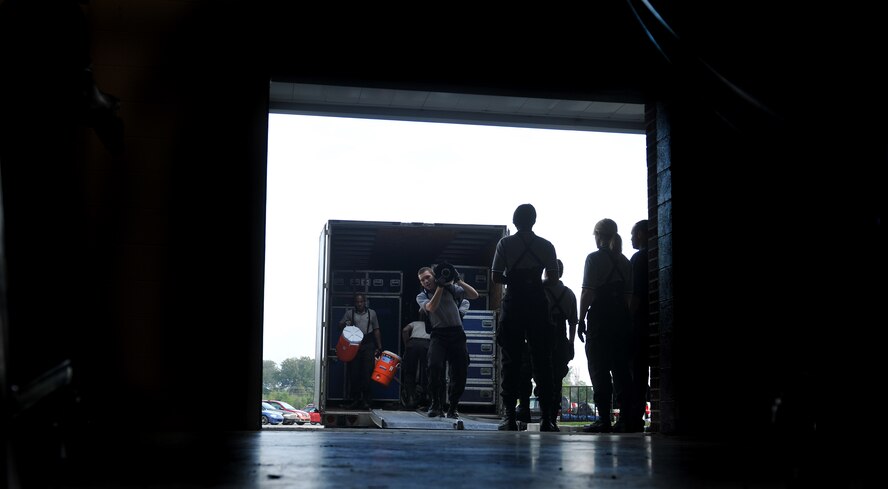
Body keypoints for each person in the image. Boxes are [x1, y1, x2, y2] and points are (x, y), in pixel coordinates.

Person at [491, 203, 560, 432]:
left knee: (511, 360)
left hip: (514, 304)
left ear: (515, 221)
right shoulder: (546, 245)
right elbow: (553, 278)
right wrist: (535, 283)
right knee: (543, 361)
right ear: (534, 220)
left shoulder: (505, 244)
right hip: (537, 304)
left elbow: (496, 277)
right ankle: (547, 418)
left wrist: (516, 282)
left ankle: (510, 417)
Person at [577, 218, 636, 433]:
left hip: (600, 319)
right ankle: (625, 419)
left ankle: (603, 419)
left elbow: (587, 292)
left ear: (598, 235)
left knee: (598, 367)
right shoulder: (625, 262)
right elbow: (629, 297)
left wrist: (580, 319)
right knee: (621, 369)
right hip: (621, 319)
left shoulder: (593, 259)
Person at [416, 263, 479, 418]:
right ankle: (436, 404)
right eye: (422, 280)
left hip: (457, 333)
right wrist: (440, 287)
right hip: (439, 335)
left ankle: (453, 407)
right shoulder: (422, 296)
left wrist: (458, 280)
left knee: (460, 371)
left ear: (434, 276)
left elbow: (474, 295)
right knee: (434, 366)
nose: (425, 281)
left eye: (427, 277)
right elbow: (431, 307)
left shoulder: (452, 289)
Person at [337, 293, 382, 410]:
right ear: (355, 303)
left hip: (368, 344)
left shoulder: (372, 313)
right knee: (354, 373)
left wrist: (379, 346)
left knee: (367, 373)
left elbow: (376, 330)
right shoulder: (349, 313)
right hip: (354, 345)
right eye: (357, 302)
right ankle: (355, 400)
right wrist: (344, 324)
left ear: (365, 302)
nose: (359, 304)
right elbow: (339, 326)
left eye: (361, 302)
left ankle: (367, 401)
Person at [628, 219, 650, 432]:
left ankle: (634, 417)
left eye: (633, 234)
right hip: (651, 321)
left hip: (639, 323)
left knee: (636, 371)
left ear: (641, 234)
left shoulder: (638, 259)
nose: (631, 239)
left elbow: (634, 295)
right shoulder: (653, 257)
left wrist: (627, 319)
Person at [401, 313, 431, 410]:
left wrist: (407, 344)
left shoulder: (415, 323)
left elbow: (405, 330)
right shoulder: (432, 324)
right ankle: (427, 400)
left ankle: (410, 399)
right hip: (426, 344)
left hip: (412, 344)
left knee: (409, 372)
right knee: (428, 372)